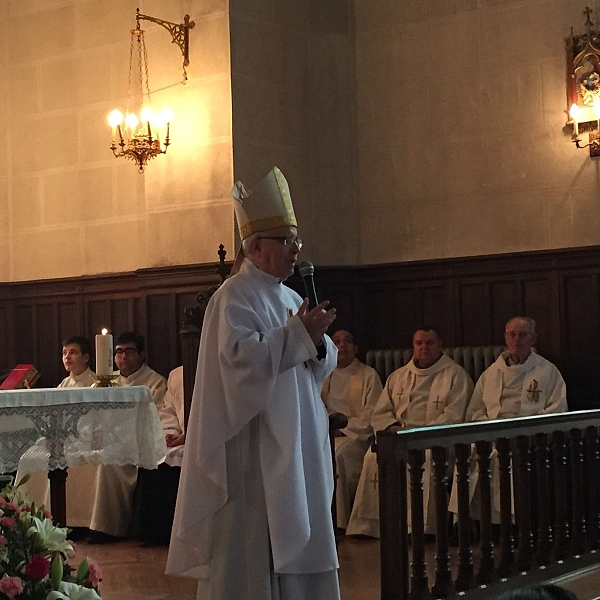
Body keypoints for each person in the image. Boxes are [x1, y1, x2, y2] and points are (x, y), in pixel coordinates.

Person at [166, 166, 341, 600]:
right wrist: (300, 337)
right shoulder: (234, 296)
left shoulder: (291, 296)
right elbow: (239, 363)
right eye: (285, 240)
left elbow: (316, 366)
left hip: (297, 438)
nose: (294, 250)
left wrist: (320, 347)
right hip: (254, 447)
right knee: (254, 538)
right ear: (256, 246)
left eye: (296, 240)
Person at [346, 326, 473, 538]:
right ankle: (371, 526)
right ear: (413, 346)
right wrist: (392, 428)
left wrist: (419, 434)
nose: (424, 347)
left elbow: (455, 414)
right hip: (400, 437)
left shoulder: (455, 375)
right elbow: (381, 412)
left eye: (429, 343)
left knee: (426, 458)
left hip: (434, 440)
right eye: (419, 343)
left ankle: (421, 528)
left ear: (440, 345)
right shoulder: (399, 377)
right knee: (372, 457)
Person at [450, 316, 568, 523]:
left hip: (528, 437)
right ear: (506, 338)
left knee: (507, 457)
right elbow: (475, 410)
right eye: (512, 334)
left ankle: (513, 524)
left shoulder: (548, 371)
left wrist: (525, 431)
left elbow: (557, 409)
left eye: (522, 334)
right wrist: (489, 430)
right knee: (469, 456)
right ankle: (475, 522)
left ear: (533, 339)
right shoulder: (491, 373)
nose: (517, 339)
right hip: (492, 434)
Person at [86, 331, 167, 543]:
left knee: (108, 462)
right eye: (118, 352)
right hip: (105, 440)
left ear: (141, 354)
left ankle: (107, 528)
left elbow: (155, 420)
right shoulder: (106, 382)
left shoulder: (155, 382)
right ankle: (77, 522)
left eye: (129, 351)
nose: (123, 357)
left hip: (135, 444)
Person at [16, 336, 97, 524]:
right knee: (27, 459)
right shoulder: (64, 384)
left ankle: (77, 520)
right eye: (64, 353)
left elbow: (92, 421)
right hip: (61, 441)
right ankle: (28, 518)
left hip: (84, 441)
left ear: (86, 357)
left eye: (73, 352)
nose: (67, 357)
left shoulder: (95, 383)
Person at [321, 329, 382, 531]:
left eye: (347, 341)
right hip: (326, 434)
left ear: (355, 348)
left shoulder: (368, 375)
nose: (342, 346)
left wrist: (343, 430)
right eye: (336, 341)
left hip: (356, 437)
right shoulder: (324, 375)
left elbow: (373, 412)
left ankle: (339, 521)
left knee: (337, 455)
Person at [133, 366, 185, 545]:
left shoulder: (217, 371)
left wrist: (188, 436)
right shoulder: (176, 374)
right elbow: (168, 409)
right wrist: (170, 432)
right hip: (178, 436)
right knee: (154, 457)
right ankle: (152, 531)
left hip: (200, 438)